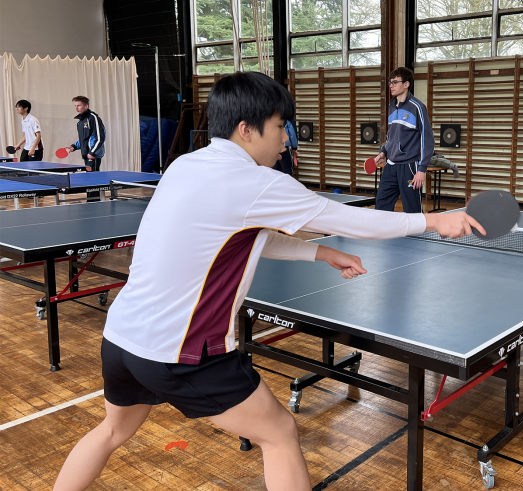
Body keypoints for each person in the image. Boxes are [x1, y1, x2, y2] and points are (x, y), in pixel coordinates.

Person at [52, 72, 482, 491]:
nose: (286, 139)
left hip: (122, 340)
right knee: (279, 433)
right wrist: (431, 220)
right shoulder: (255, 181)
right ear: (247, 129)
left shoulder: (186, 164)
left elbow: (237, 235)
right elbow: (348, 218)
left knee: (111, 432)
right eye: (280, 126)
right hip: (179, 349)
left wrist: (322, 252)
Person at [374, 67, 434, 213]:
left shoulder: (417, 107)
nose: (391, 86)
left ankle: (416, 236)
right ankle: (383, 235)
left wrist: (421, 169)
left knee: (412, 209)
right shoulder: (391, 106)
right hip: (391, 165)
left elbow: (428, 139)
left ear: (406, 84)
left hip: (409, 166)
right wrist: (383, 152)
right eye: (390, 82)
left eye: (395, 82)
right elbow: (391, 135)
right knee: (381, 205)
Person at [66, 96, 106, 202]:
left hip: (93, 155)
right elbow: (84, 140)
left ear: (86, 106)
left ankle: (93, 202)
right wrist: (74, 146)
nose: (76, 108)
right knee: (89, 178)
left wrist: (93, 152)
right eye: (75, 106)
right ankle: (91, 201)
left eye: (79, 105)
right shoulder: (80, 121)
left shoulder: (93, 118)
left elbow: (100, 137)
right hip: (86, 154)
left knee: (93, 178)